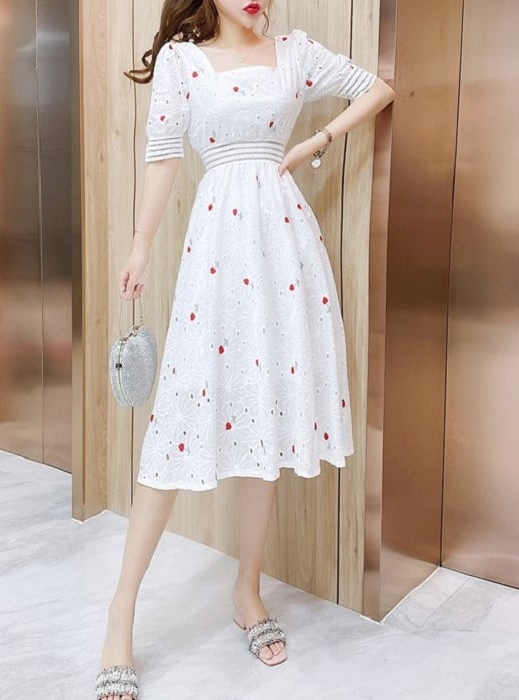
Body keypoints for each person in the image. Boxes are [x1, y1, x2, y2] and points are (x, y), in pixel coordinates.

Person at [95, 1, 395, 697]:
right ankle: (120, 614)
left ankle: (248, 590)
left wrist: (318, 140)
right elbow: (164, 155)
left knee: (268, 415)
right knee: (176, 424)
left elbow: (378, 88)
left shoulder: (296, 53)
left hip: (285, 246)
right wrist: (140, 245)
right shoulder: (182, 61)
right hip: (217, 251)